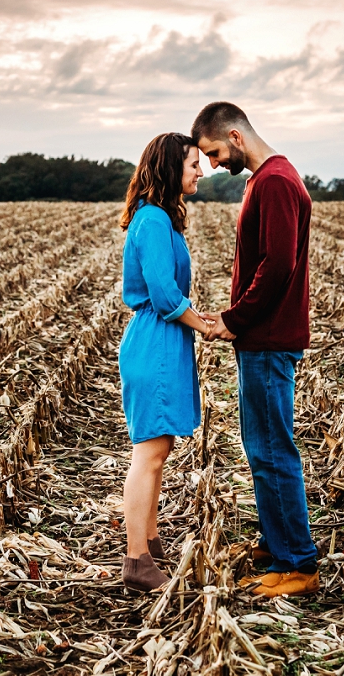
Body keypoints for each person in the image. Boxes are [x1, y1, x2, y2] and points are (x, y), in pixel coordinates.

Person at [191, 102, 320, 599]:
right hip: (261, 338)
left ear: (235, 136)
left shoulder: (275, 183)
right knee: (261, 446)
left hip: (268, 339)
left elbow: (278, 265)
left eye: (215, 152)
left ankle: (297, 564)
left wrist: (234, 318)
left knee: (271, 449)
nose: (213, 164)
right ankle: (276, 541)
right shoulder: (266, 180)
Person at [117, 132, 213, 592]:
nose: (201, 171)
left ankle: (150, 543)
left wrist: (199, 317)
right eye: (194, 163)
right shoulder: (153, 219)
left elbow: (172, 295)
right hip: (155, 340)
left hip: (164, 339)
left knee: (160, 448)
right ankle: (136, 560)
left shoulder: (159, 218)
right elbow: (162, 292)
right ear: (171, 166)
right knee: (149, 453)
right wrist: (204, 323)